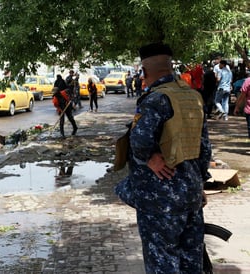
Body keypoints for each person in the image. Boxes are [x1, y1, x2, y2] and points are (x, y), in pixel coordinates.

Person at [114, 42, 212, 274]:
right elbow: (204, 147)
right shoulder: (192, 97)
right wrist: (199, 183)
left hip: (160, 200)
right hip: (190, 195)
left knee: (162, 262)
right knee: (191, 260)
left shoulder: (156, 99)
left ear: (145, 73)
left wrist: (150, 158)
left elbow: (138, 140)